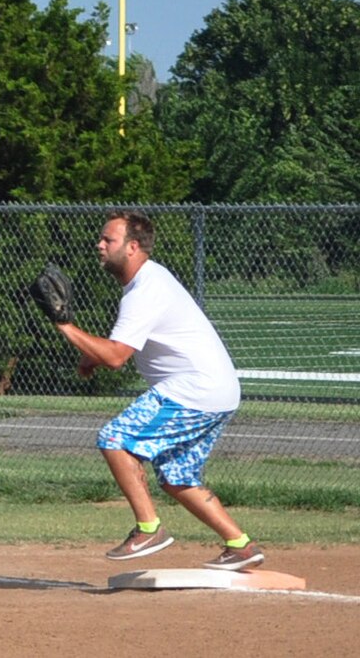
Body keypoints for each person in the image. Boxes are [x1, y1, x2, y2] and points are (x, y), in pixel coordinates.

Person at [53, 210, 263, 571]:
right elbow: (123, 345)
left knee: (115, 438)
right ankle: (240, 545)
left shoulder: (145, 289)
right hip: (216, 389)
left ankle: (149, 529)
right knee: (179, 478)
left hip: (194, 388)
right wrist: (91, 357)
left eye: (109, 240)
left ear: (133, 247)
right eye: (101, 239)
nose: (99, 245)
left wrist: (65, 326)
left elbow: (117, 356)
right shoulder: (148, 282)